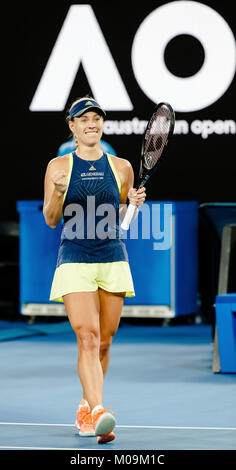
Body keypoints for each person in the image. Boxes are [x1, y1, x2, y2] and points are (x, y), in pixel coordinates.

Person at [43, 96, 146, 444]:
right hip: (74, 258)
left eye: (96, 118)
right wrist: (57, 195)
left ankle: (86, 407)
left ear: (102, 124)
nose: (91, 124)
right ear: (72, 126)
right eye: (83, 119)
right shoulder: (58, 166)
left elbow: (123, 222)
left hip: (112, 257)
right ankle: (101, 411)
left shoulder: (122, 167)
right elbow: (51, 218)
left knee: (103, 341)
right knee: (86, 335)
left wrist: (131, 207)